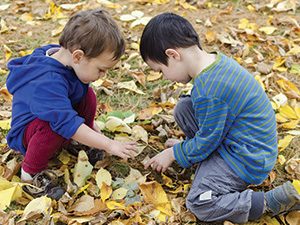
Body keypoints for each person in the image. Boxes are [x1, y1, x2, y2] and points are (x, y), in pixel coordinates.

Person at [141, 12, 300, 223]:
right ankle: (200, 156)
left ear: (173, 55)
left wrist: (173, 153)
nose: (164, 77)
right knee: (184, 107)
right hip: (243, 140)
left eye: (161, 71)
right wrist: (186, 149)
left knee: (199, 202)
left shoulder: (210, 91)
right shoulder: (215, 64)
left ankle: (268, 201)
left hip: (247, 158)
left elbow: (208, 139)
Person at [6, 9, 137, 182]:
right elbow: (65, 123)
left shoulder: (63, 57)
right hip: (28, 134)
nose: (103, 75)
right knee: (52, 126)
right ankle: (31, 172)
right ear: (78, 56)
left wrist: (95, 133)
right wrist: (109, 144)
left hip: (56, 119)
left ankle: (85, 137)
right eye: (101, 69)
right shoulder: (48, 82)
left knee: (86, 94)